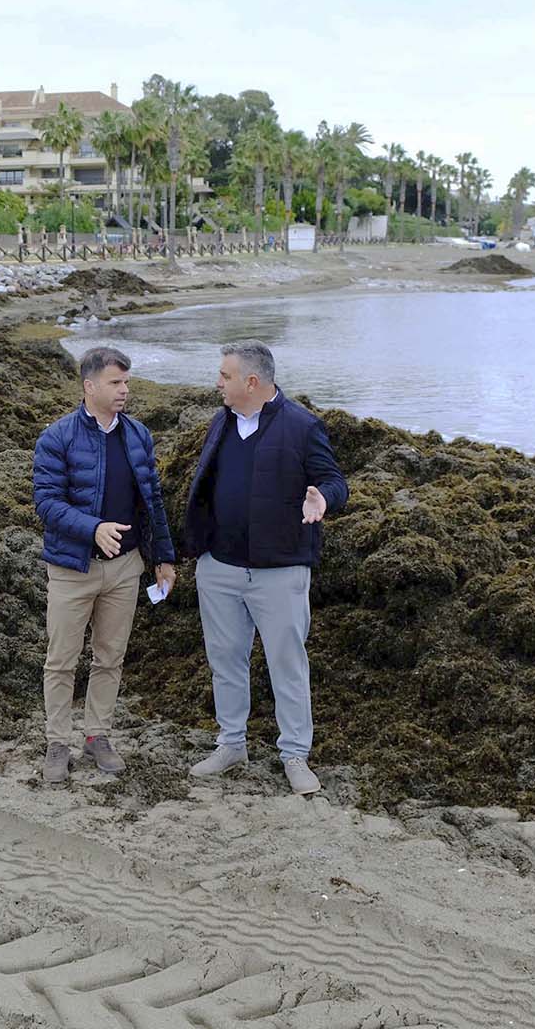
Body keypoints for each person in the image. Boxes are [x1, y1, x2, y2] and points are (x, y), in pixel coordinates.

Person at [182, 341, 347, 795]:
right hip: (219, 568)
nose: (218, 382)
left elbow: (335, 481)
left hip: (280, 571)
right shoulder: (221, 421)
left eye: (225, 376)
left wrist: (323, 498)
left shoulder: (302, 426)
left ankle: (295, 754)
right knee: (225, 661)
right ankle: (231, 744)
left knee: (287, 665)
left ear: (251, 382)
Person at [31, 347, 177, 784]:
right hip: (73, 567)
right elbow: (47, 503)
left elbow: (152, 502)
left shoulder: (138, 435)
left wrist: (164, 558)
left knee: (110, 658)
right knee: (61, 660)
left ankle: (98, 735)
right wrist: (92, 528)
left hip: (126, 567)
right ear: (89, 386)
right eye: (116, 383)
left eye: (127, 383)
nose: (125, 391)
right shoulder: (56, 438)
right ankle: (58, 741)